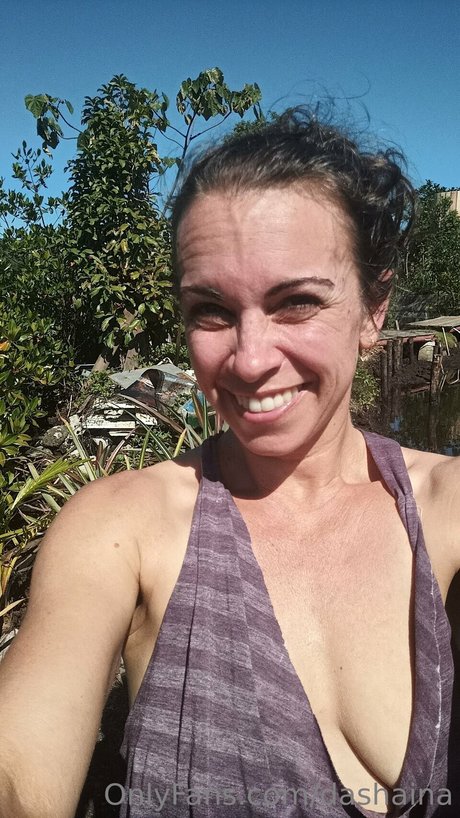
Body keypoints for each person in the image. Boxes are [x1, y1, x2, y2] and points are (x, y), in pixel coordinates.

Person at [0, 108, 459, 818]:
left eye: (297, 302)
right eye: (211, 310)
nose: (248, 360)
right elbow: (21, 770)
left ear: (374, 310)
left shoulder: (444, 510)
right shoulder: (123, 527)